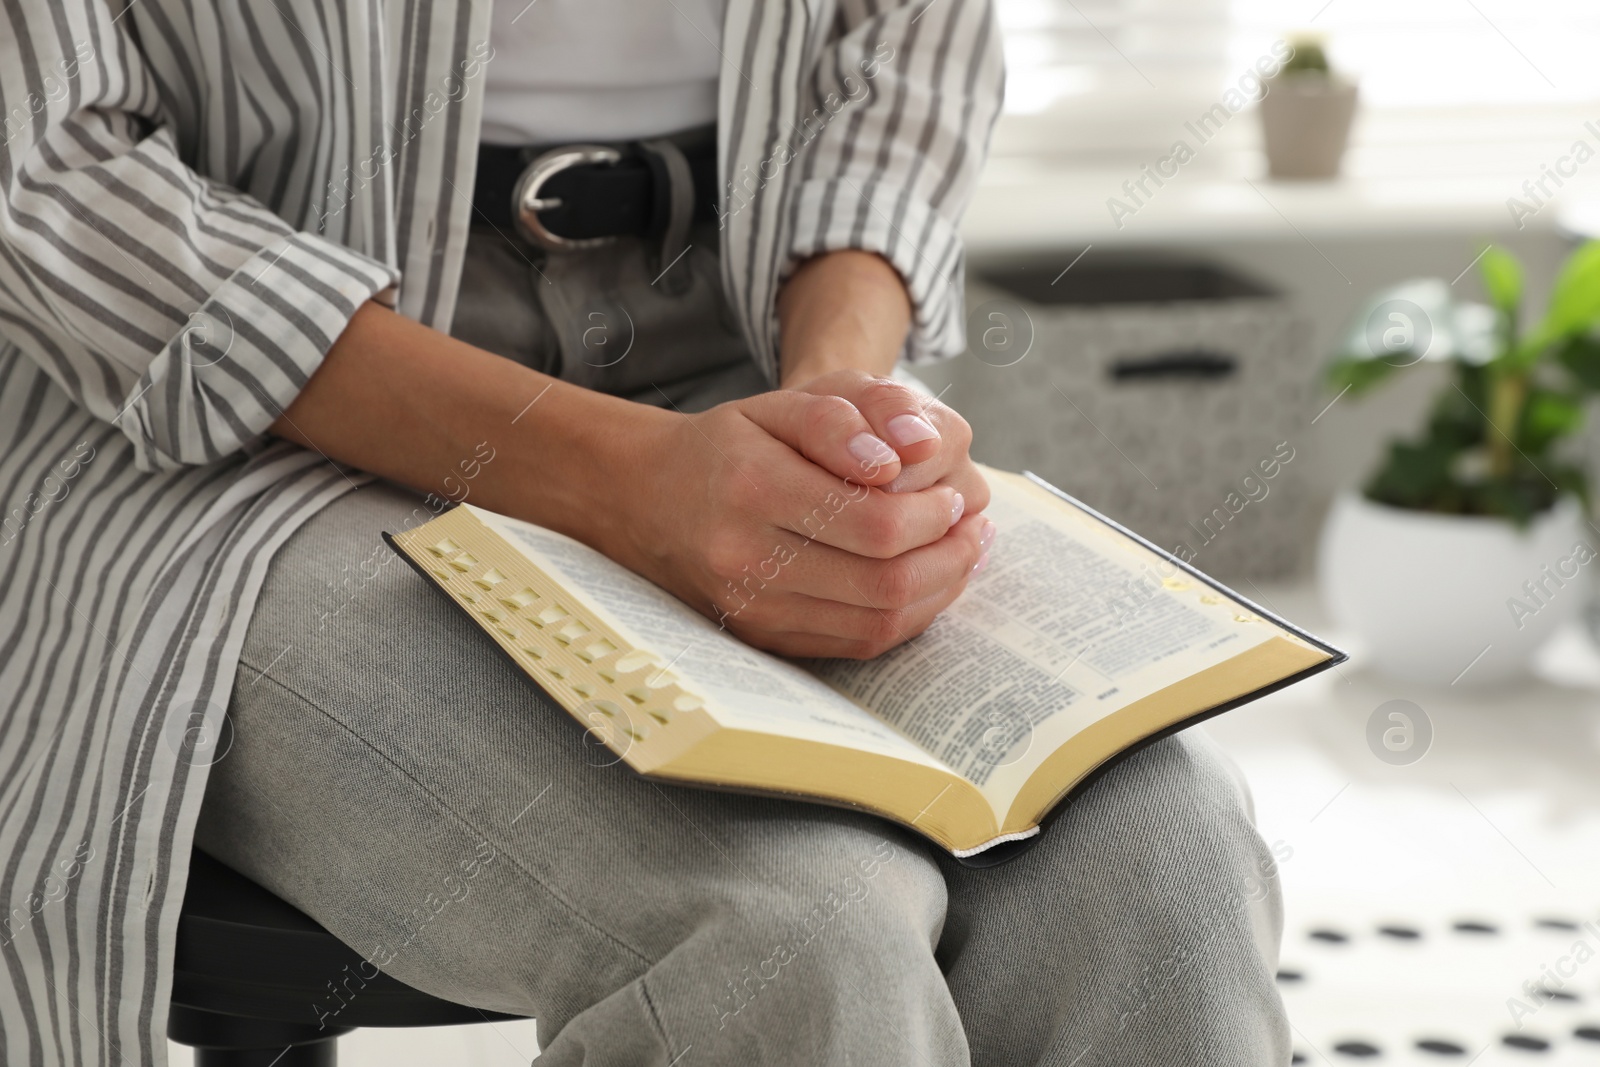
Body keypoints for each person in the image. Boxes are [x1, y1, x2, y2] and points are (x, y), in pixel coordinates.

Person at [0, 1, 1290, 1064]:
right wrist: (634, 483)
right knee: (795, 932)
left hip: (732, 347)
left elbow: (899, 64)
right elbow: (49, 166)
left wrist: (837, 419)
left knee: (1159, 867)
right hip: (241, 428)